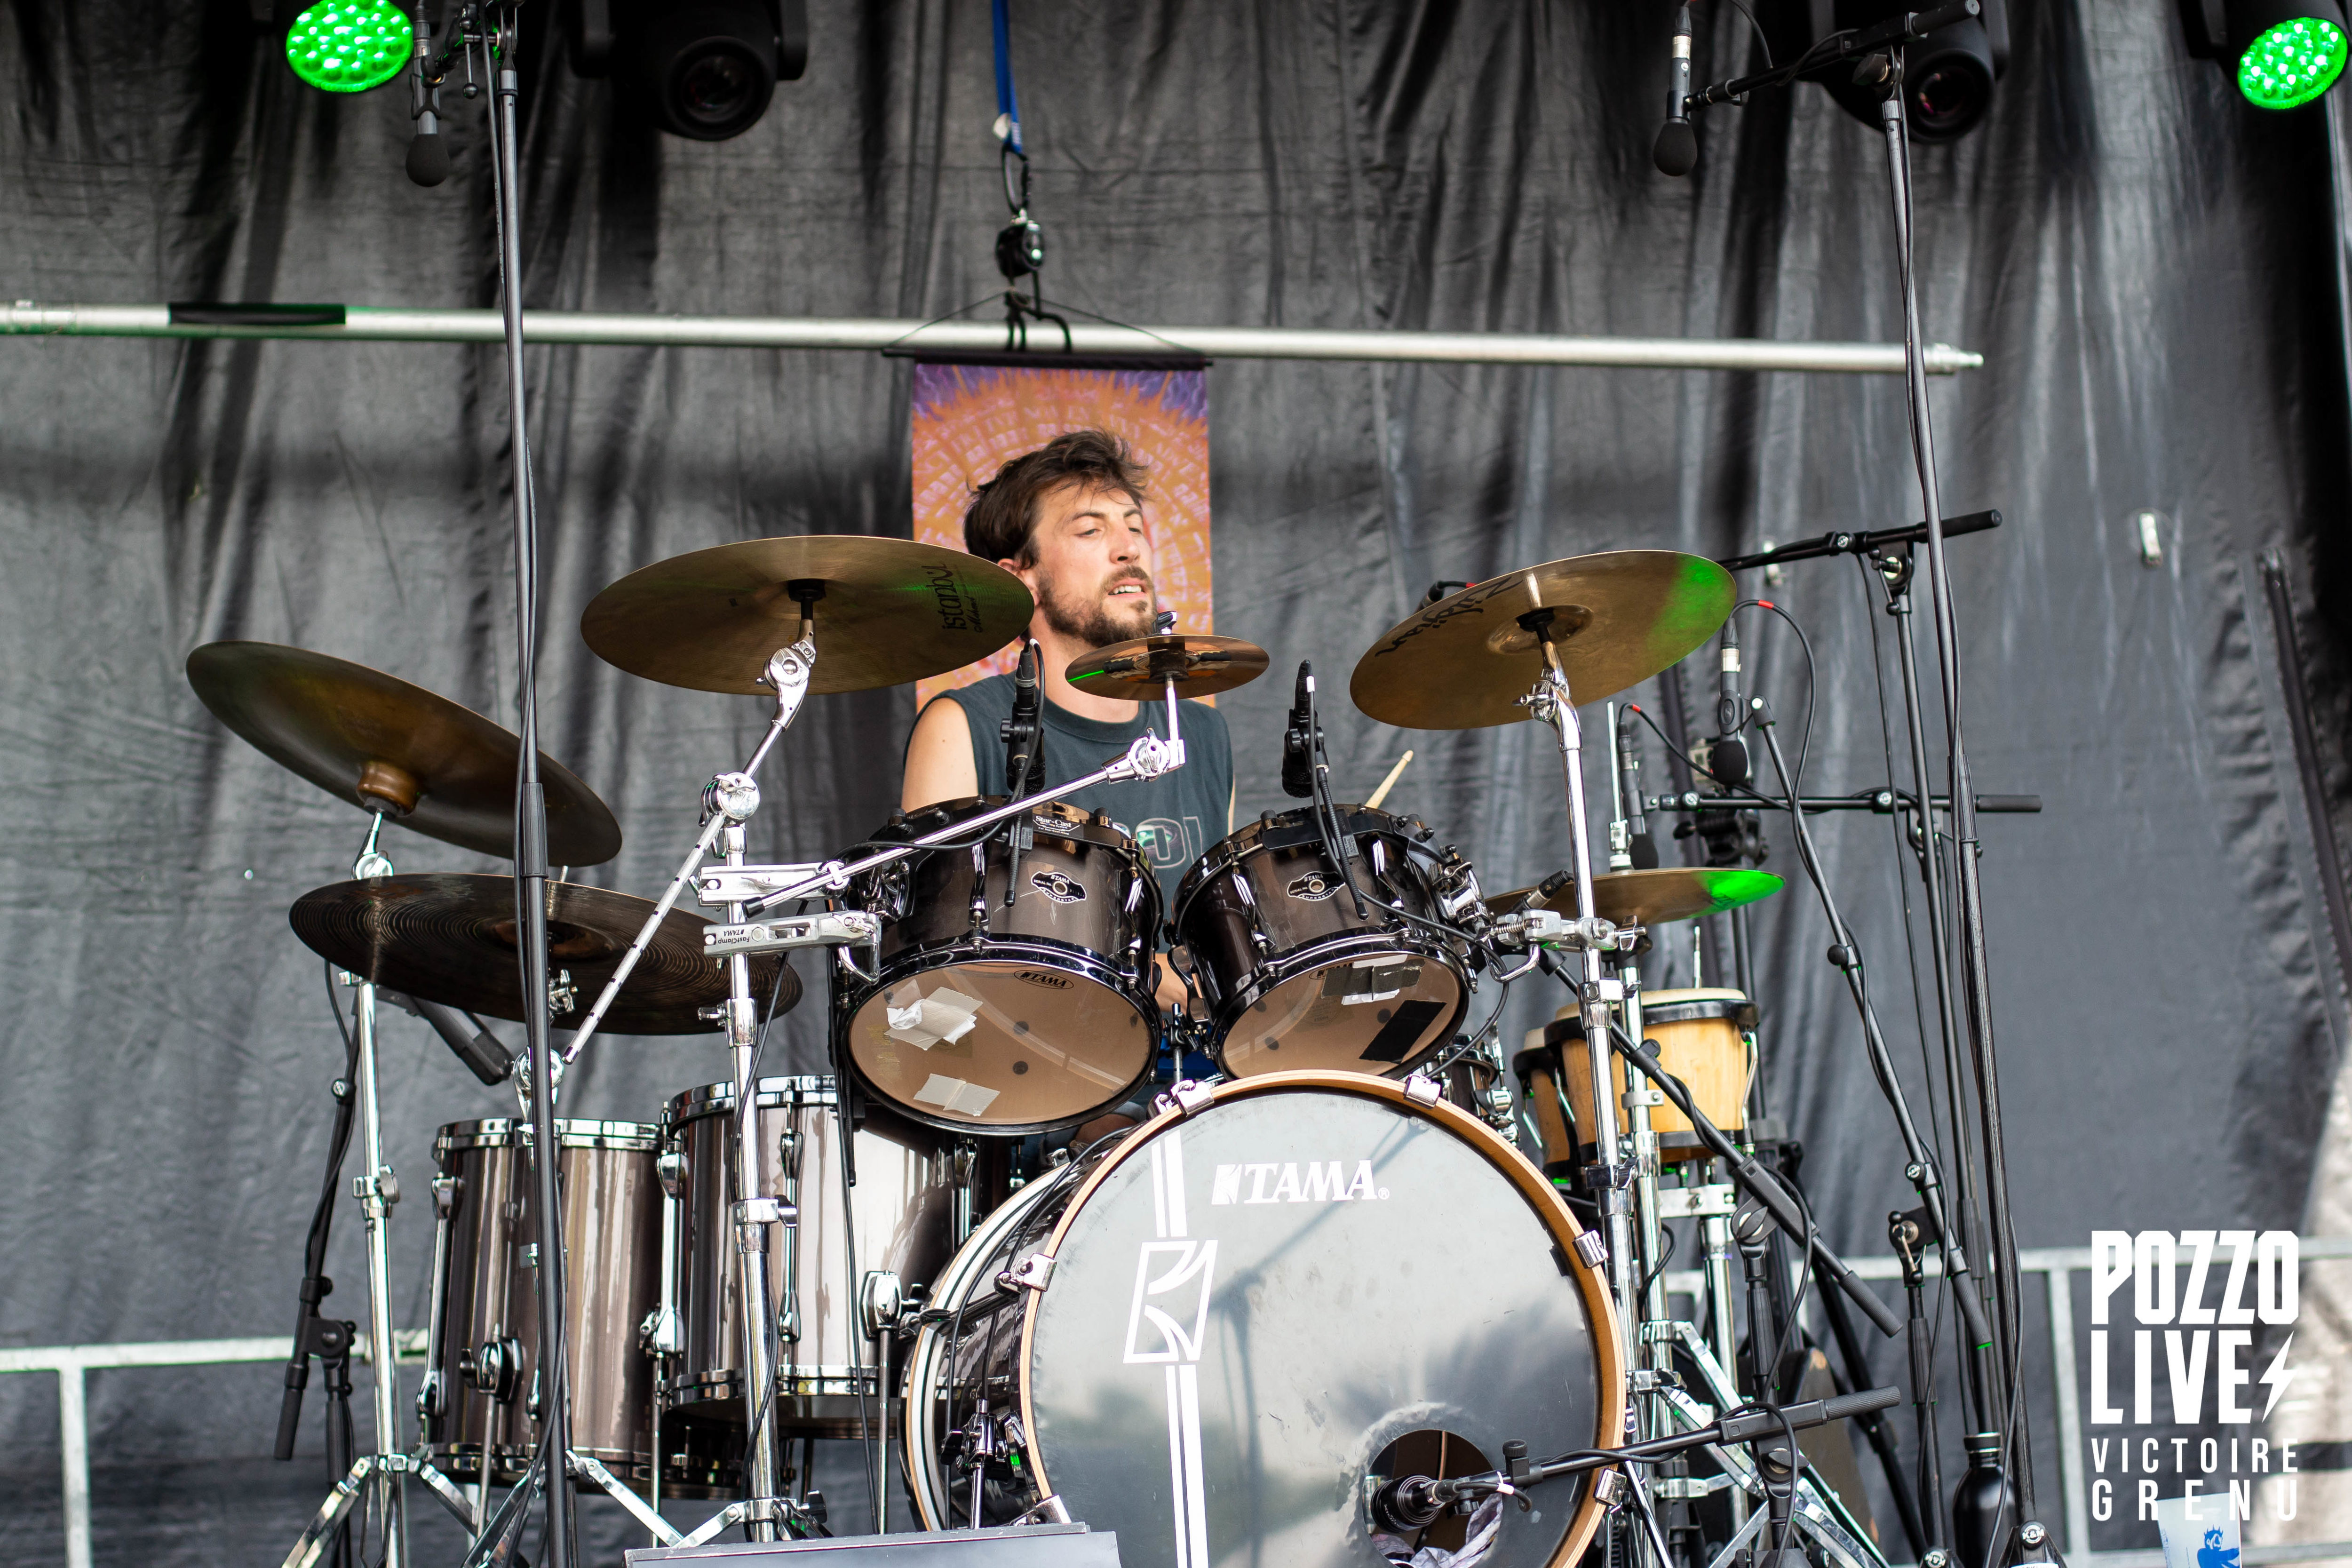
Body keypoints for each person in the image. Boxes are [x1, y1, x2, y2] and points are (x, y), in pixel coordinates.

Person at [901, 428, 1233, 1018]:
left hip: (1194, 1063)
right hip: (1038, 1058)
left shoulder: (1200, 732)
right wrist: (1131, 971)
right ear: (1021, 578)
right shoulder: (961, 728)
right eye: (1090, 530)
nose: (1128, 549)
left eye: (1134, 526)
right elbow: (938, 972)